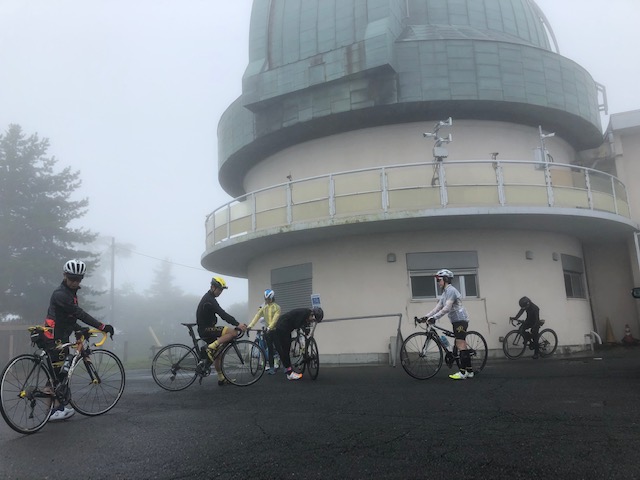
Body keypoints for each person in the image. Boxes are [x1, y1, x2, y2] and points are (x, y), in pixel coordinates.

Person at [44, 259, 115, 420]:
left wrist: (78, 328)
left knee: (58, 374)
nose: (75, 282)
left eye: (78, 279)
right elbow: (78, 313)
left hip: (60, 335)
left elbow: (67, 317)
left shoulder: (69, 293)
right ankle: (54, 411)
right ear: (64, 275)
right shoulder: (61, 294)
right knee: (57, 375)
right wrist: (102, 326)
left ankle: (55, 410)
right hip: (54, 337)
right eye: (72, 278)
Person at [196, 276, 247, 386]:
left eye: (222, 290)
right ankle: (210, 348)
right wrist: (237, 324)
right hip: (206, 330)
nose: (220, 292)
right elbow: (222, 314)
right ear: (213, 287)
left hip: (206, 329)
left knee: (218, 354)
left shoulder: (209, 298)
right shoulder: (209, 300)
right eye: (219, 290)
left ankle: (221, 378)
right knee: (233, 332)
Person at [424, 269, 473, 380]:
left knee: (460, 344)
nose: (438, 282)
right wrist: (426, 317)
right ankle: (470, 371)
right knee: (460, 343)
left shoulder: (451, 290)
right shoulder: (445, 292)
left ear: (445, 279)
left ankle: (462, 373)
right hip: (456, 321)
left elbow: (447, 308)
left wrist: (434, 318)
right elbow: (438, 307)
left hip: (460, 320)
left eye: (439, 280)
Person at [273, 306, 324, 380]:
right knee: (285, 350)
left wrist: (306, 327)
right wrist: (305, 325)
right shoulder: (304, 313)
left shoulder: (306, 313)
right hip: (282, 327)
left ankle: (289, 372)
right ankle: (289, 373)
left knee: (286, 349)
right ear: (312, 314)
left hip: (286, 327)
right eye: (313, 319)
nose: (312, 321)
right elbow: (297, 324)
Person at [247, 289, 281, 374]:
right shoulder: (264, 308)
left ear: (272, 298)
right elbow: (257, 316)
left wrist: (269, 327)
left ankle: (286, 367)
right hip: (268, 331)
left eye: (268, 299)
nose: (267, 301)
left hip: (275, 330)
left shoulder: (277, 307)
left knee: (279, 349)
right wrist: (250, 326)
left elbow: (275, 319)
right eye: (266, 299)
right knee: (269, 349)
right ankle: (272, 368)